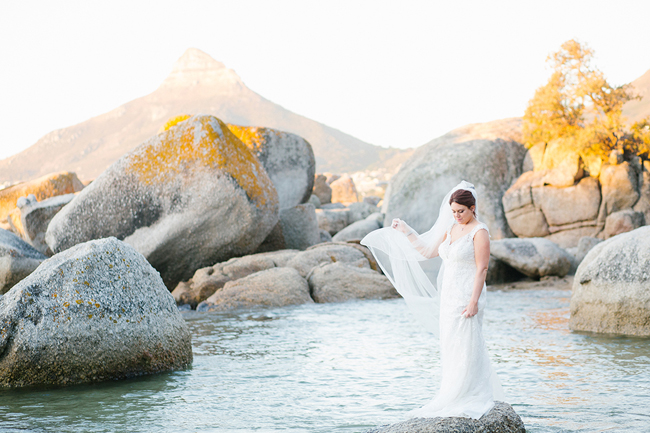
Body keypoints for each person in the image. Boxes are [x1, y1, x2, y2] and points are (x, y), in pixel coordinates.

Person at [361, 181, 503, 419]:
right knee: (450, 344)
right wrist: (406, 231)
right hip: (448, 295)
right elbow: (426, 252)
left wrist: (474, 302)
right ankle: (451, 392)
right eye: (454, 212)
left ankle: (470, 394)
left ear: (473, 208)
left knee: (467, 342)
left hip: (468, 294)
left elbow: (482, 268)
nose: (457, 216)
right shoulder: (451, 229)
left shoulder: (480, 232)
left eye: (462, 211)